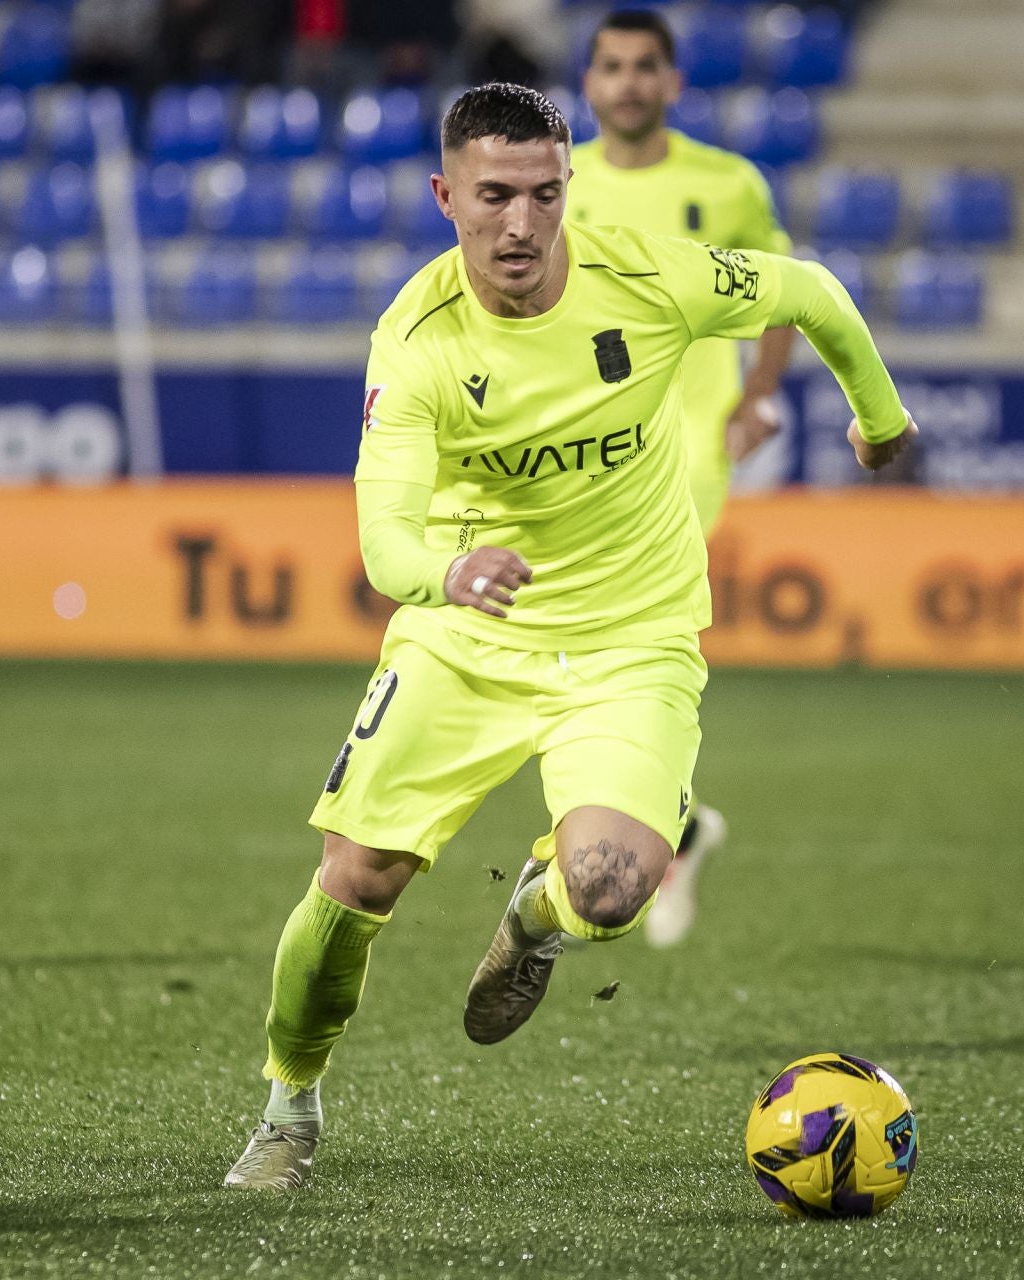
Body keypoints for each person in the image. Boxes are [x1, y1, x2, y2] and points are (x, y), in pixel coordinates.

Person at [222, 83, 914, 1191]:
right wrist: (448, 574)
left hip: (633, 638)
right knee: (356, 877)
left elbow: (812, 291)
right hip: (470, 633)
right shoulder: (415, 340)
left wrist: (880, 422)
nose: (522, 223)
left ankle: (532, 915)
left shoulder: (645, 277)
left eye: (545, 194)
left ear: (567, 187)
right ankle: (288, 1107)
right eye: (494, 195)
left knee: (608, 892)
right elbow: (384, 541)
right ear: (446, 196)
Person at [570, 8, 796, 945]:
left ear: (672, 82)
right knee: (585, 644)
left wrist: (756, 397)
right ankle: (679, 823)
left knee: (629, 631)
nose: (627, 82)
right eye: (611, 66)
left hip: (687, 445)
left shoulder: (727, 183)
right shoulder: (559, 183)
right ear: (590, 83)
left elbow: (782, 293)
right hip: (580, 451)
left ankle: (655, 823)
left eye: (643, 67)